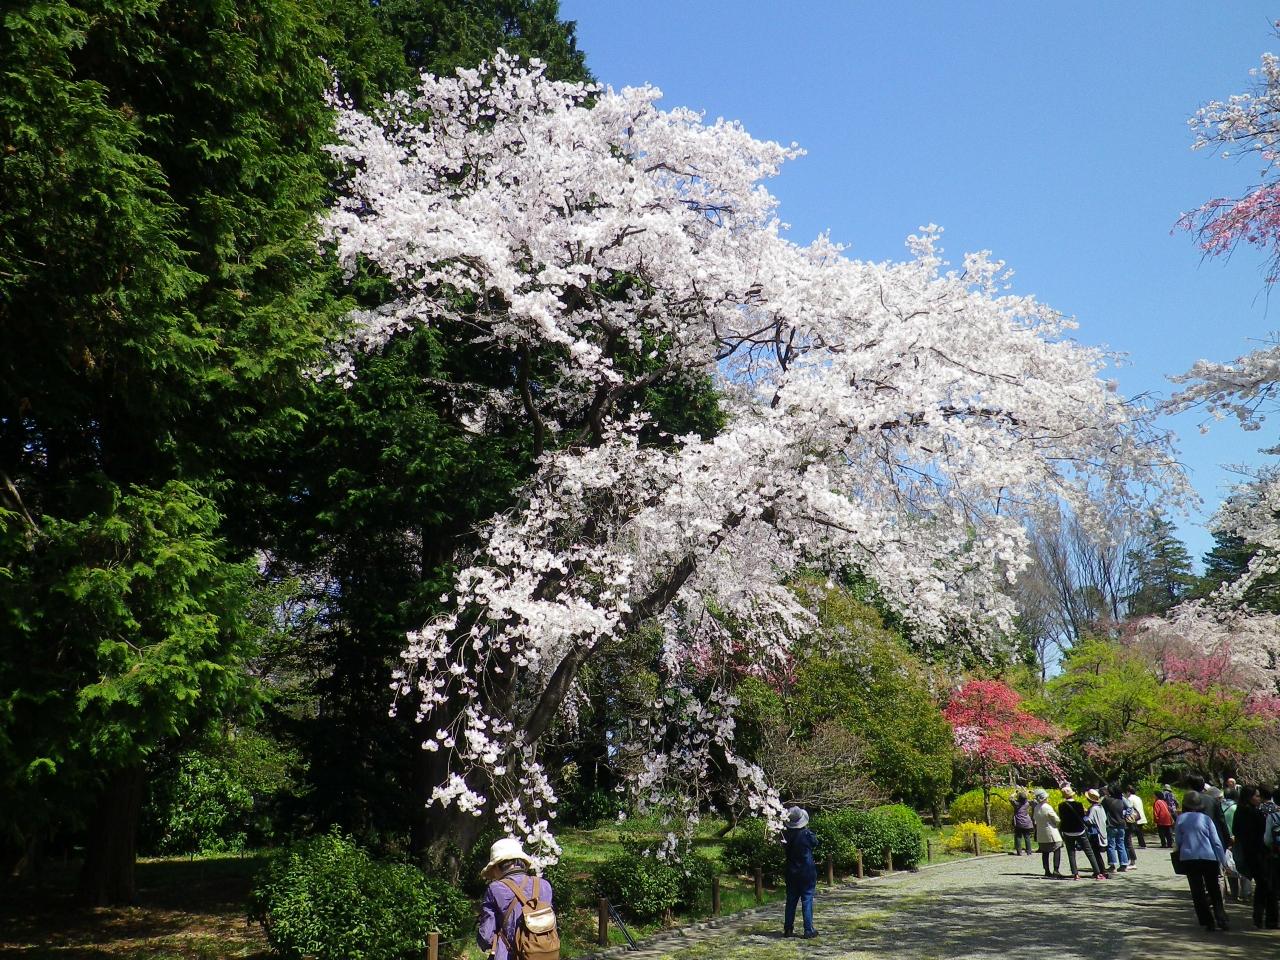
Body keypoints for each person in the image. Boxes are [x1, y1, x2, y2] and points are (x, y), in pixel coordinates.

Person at [477, 837, 556, 960]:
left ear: (497, 866)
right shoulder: (544, 885)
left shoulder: (495, 889)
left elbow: (486, 937)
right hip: (543, 954)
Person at [1175, 790, 1229, 931]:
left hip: (1189, 858)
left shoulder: (1181, 819)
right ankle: (1221, 918)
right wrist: (1223, 861)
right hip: (1208, 857)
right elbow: (1216, 842)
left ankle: (1207, 921)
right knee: (1214, 889)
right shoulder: (1206, 819)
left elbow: (1178, 841)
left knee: (1197, 891)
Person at [781, 806, 818, 939]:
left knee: (791, 901)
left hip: (791, 871)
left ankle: (788, 928)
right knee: (807, 900)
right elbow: (815, 842)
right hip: (807, 872)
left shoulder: (785, 836)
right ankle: (808, 930)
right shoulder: (807, 834)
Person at [1058, 786, 1105, 880]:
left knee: (1071, 853)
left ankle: (1075, 874)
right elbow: (1083, 817)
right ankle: (1097, 872)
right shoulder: (1079, 805)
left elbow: (1062, 818)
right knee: (1089, 852)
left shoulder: (1061, 806)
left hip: (1067, 831)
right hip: (1080, 830)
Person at [1032, 788, 1063, 878]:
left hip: (1041, 833)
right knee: (1057, 849)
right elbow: (1056, 819)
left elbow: (1034, 819)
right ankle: (1056, 870)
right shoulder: (1047, 807)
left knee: (1045, 852)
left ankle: (1046, 870)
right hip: (1051, 831)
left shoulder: (1036, 807)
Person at [1102, 783, 1131, 873]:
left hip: (1111, 824)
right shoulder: (1121, 800)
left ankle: (1112, 865)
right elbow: (1130, 808)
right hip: (1121, 824)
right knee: (1121, 844)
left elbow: (1101, 808)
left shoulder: (1106, 800)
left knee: (1111, 845)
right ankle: (1124, 864)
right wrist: (1125, 815)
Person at [1086, 789, 1110, 877]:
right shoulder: (1100, 807)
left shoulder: (1093, 808)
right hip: (1102, 831)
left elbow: (1089, 820)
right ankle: (1101, 870)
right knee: (1096, 853)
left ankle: (1100, 870)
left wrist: (1084, 816)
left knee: (1095, 853)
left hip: (1094, 833)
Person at [1011, 788, 1035, 856]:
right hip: (1026, 822)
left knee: (1018, 837)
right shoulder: (1027, 803)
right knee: (1027, 837)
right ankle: (1029, 851)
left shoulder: (1016, 803)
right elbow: (1035, 800)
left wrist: (1015, 793)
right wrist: (1031, 793)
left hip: (1018, 822)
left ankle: (1019, 852)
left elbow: (1010, 798)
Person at [1124, 784, 1147, 850]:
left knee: (1135, 831)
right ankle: (1142, 844)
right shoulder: (1138, 797)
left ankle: (1141, 844)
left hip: (1136, 817)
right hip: (1141, 816)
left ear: (1128, 792)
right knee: (1139, 831)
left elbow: (1129, 808)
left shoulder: (1130, 799)